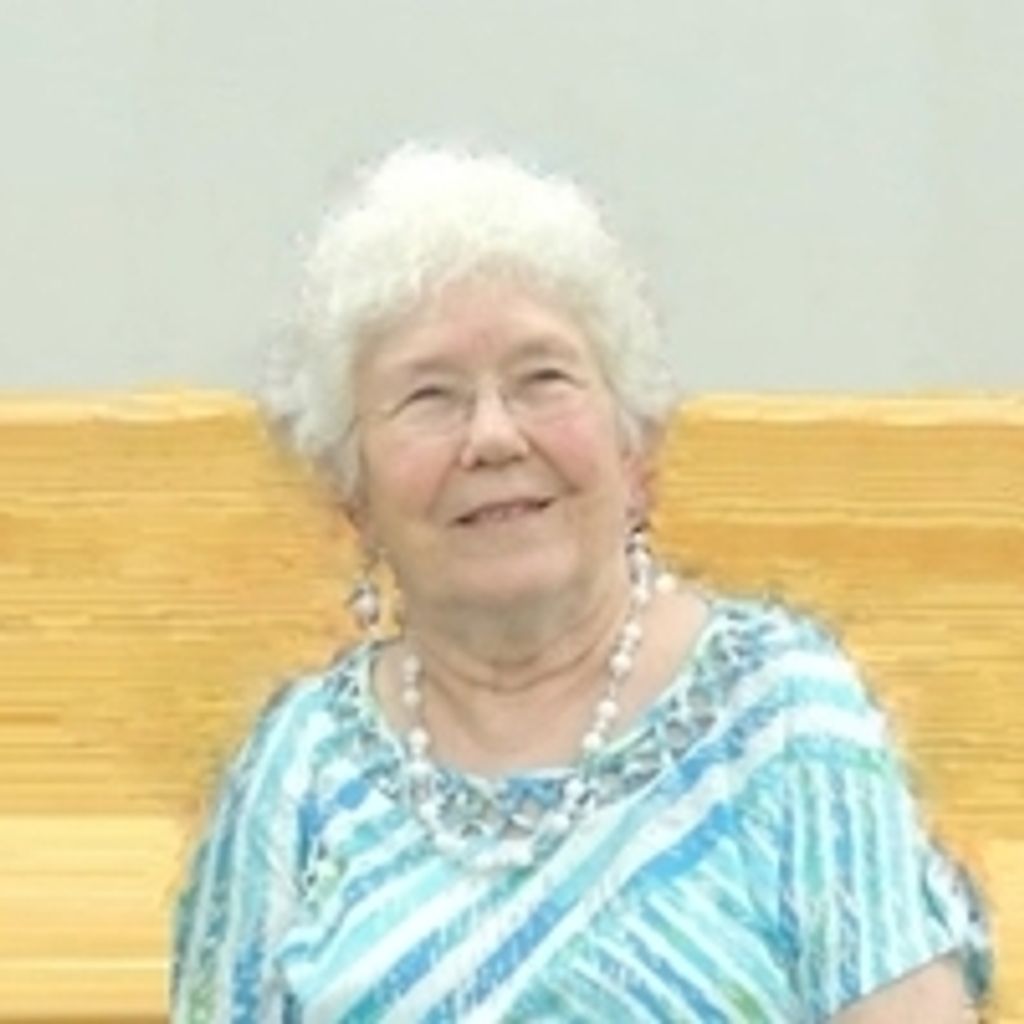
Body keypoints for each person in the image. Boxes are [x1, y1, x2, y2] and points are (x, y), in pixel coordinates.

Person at [171, 146, 992, 1022]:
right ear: (353, 491)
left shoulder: (787, 714)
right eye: (431, 397)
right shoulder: (298, 764)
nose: (493, 437)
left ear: (632, 447)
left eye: (542, 380)